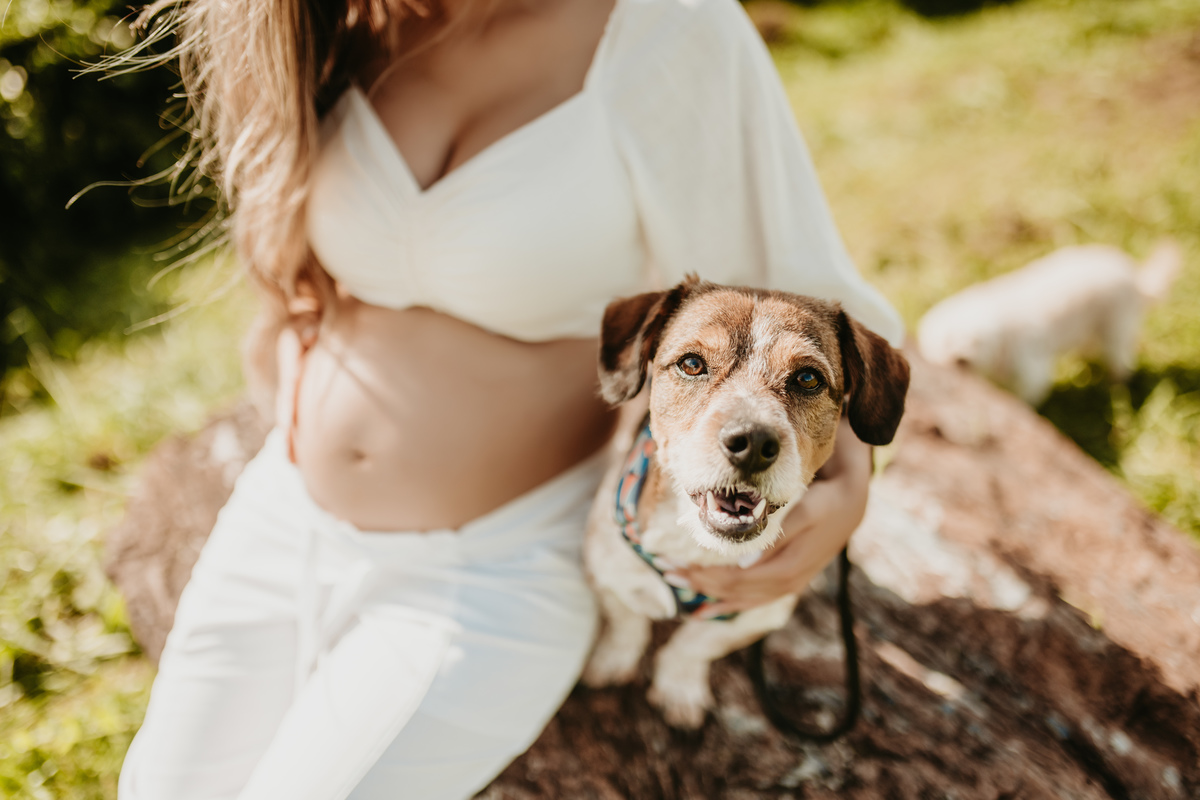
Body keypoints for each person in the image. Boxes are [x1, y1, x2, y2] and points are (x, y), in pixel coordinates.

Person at [115, 0, 905, 796]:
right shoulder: (336, 20)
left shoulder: (670, 25)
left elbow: (795, 311)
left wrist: (845, 491)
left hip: (496, 570)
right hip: (284, 514)